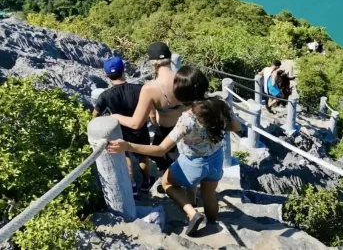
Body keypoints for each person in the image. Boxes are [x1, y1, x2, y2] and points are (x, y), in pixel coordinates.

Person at [108, 65, 241, 236]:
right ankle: (213, 225)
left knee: (167, 183)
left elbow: (161, 149)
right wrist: (215, 125)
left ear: (180, 94)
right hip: (216, 159)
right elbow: (235, 126)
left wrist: (128, 146)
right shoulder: (220, 105)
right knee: (209, 195)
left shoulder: (187, 119)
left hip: (193, 163)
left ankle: (192, 214)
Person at [112, 42, 186, 173]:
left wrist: (115, 116)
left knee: (160, 156)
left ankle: (168, 181)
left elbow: (136, 124)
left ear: (153, 63)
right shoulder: (185, 79)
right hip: (185, 127)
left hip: (166, 130)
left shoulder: (150, 88)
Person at [93, 56, 154, 196]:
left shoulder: (105, 95)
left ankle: (132, 185)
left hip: (120, 130)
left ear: (106, 75)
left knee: (126, 155)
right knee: (143, 157)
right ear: (123, 71)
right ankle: (146, 182)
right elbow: (150, 108)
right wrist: (152, 118)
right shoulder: (140, 89)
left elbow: (95, 115)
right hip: (140, 129)